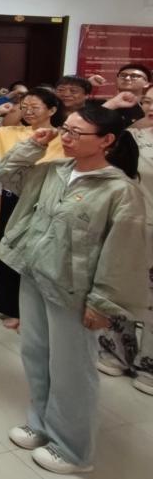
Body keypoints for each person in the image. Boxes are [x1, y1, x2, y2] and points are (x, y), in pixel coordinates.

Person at [0, 104, 146, 474]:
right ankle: (41, 424)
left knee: (72, 369)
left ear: (107, 141)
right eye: (66, 129)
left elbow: (122, 252)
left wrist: (103, 302)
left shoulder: (119, 190)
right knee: (36, 356)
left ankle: (73, 449)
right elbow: (7, 173)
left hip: (75, 291)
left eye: (77, 133)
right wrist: (34, 143)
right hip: (36, 275)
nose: (66, 137)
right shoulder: (54, 171)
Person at [0, 88, 65, 328]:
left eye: (35, 107)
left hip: (42, 197)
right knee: (7, 245)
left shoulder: (62, 137)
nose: (28, 112)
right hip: (10, 194)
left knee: (32, 249)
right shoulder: (10, 132)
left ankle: (28, 309)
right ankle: (8, 306)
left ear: (52, 110)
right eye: (24, 107)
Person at [97, 84, 153, 395]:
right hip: (129, 222)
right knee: (121, 288)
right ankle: (117, 350)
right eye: (148, 101)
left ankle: (149, 363)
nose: (151, 107)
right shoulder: (129, 136)